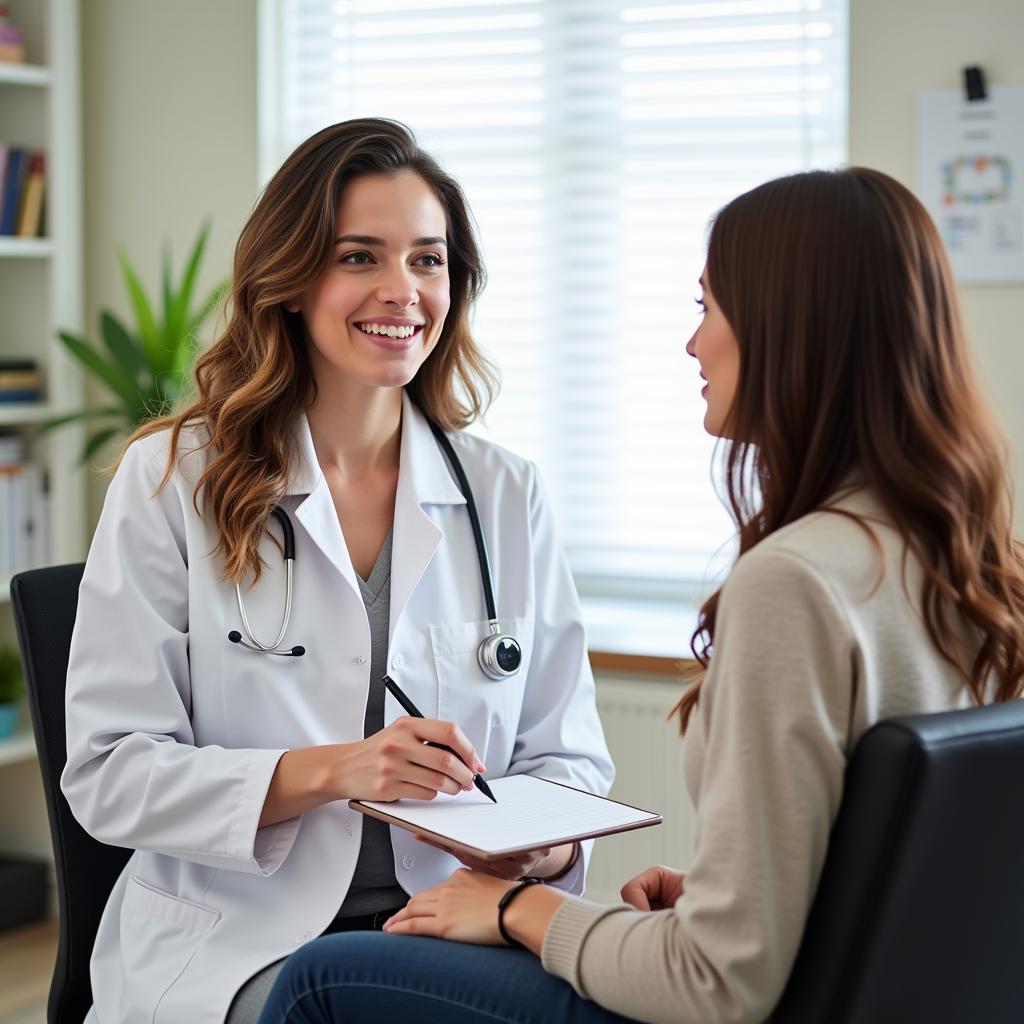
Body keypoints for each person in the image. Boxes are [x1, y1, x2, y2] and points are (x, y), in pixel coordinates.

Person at [255, 166, 1024, 1024]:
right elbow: (908, 869)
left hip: (750, 1003)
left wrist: (517, 910)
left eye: (707, 308)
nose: (693, 345)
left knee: (318, 980)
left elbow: (716, 983)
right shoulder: (971, 563)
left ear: (791, 328)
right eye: (361, 256)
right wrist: (731, 900)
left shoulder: (793, 582)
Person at [60, 118, 613, 1024]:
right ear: (289, 278)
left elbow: (570, 759)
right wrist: (334, 771)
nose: (403, 290)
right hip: (241, 945)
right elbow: (110, 772)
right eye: (361, 256)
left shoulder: (505, 495)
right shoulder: (173, 479)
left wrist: (539, 854)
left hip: (451, 929)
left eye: (428, 260)